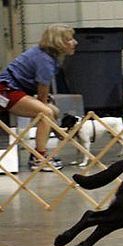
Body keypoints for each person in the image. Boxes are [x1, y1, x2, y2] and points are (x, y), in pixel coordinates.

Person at [0, 24, 77, 171]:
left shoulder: (46, 56)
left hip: (14, 89)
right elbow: (42, 96)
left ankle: (36, 153)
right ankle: (39, 158)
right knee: (45, 113)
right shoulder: (45, 61)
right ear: (58, 42)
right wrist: (57, 129)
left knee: (52, 110)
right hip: (5, 90)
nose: (75, 42)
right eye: (70, 39)